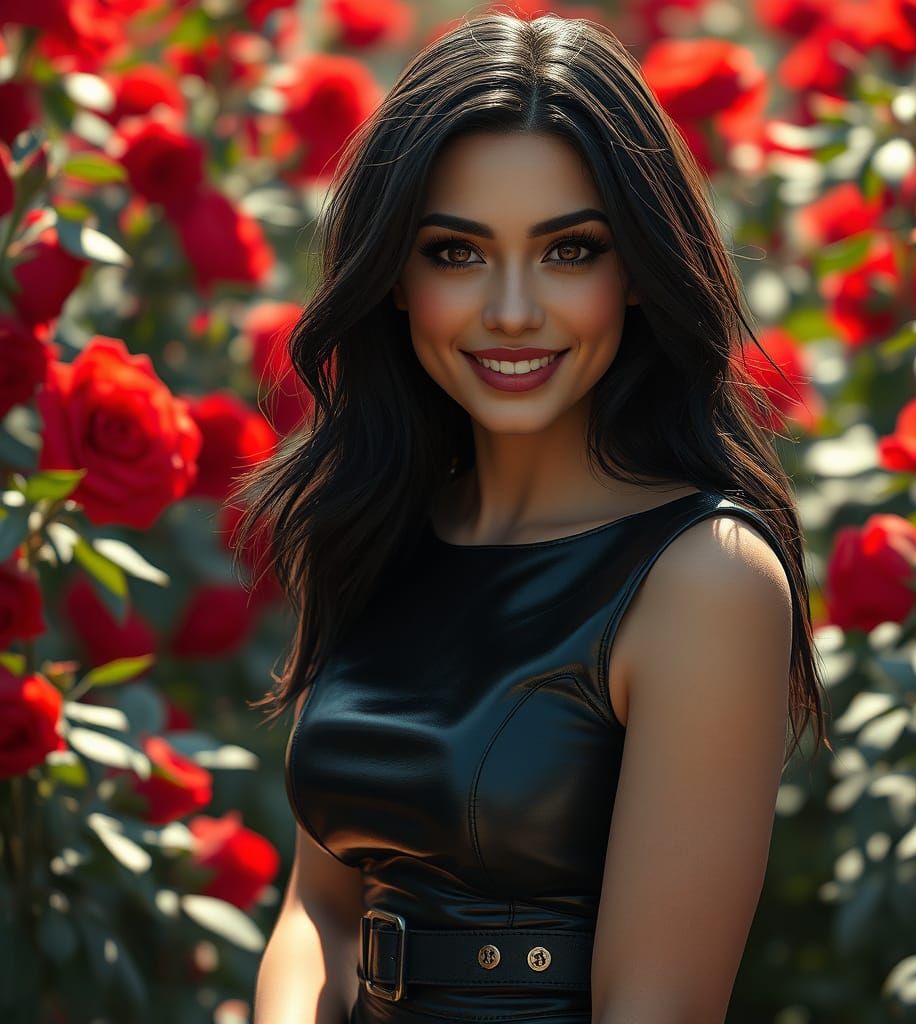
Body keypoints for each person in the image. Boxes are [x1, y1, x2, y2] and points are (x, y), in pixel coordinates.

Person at [244, 11, 830, 1024]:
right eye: (456, 253)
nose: (512, 310)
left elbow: (654, 1007)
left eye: (568, 250)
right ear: (393, 278)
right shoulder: (374, 526)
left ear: (638, 275)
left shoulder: (708, 577)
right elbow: (321, 910)